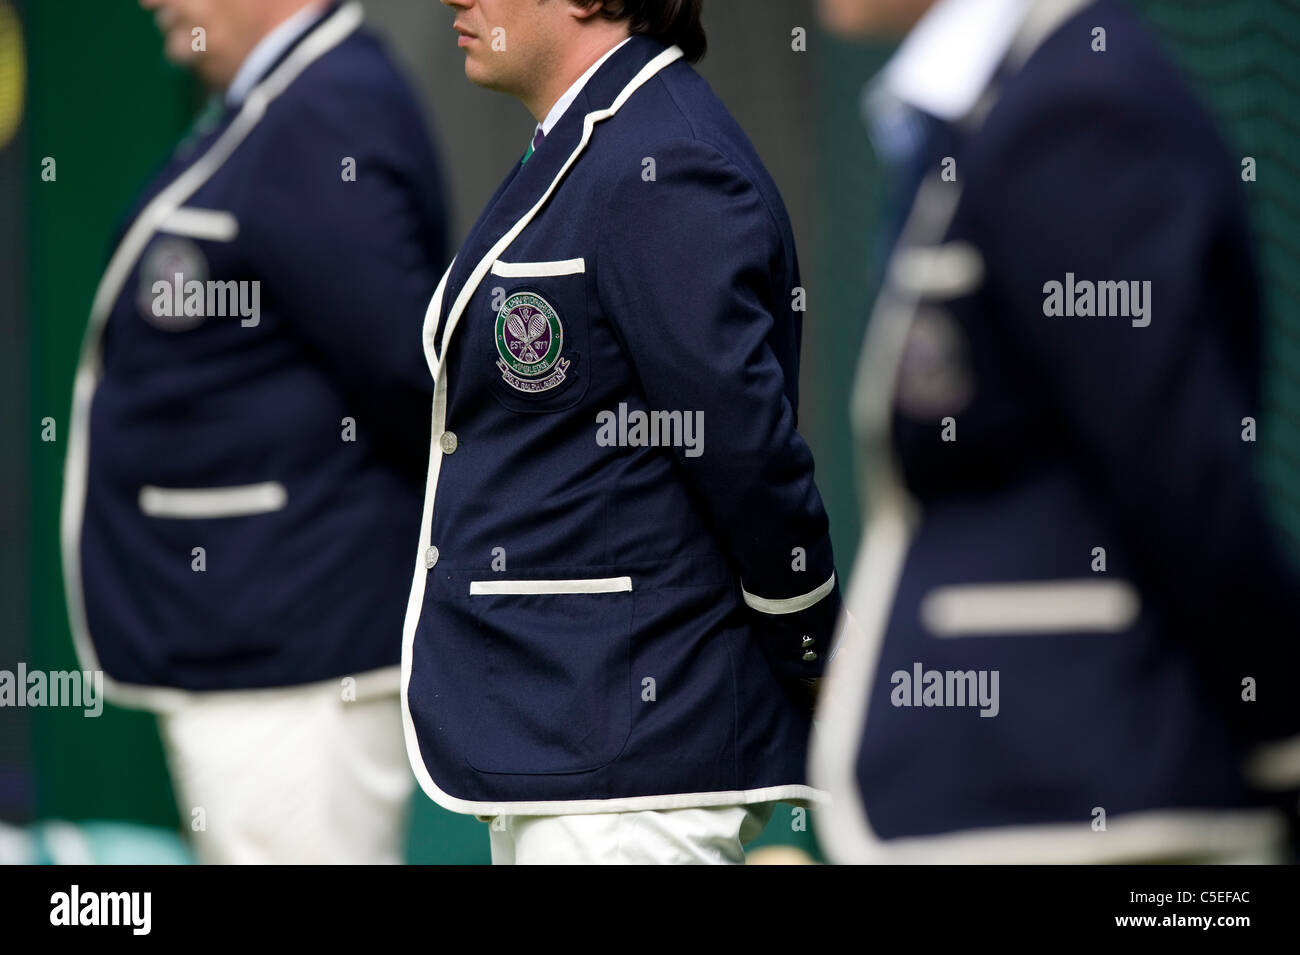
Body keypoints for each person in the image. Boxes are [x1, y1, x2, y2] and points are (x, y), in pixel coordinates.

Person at [810, 0, 1300, 863]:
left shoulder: (1079, 108)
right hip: (1010, 804)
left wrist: (1282, 737)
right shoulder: (995, 103)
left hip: (1086, 809)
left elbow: (1185, 478)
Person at [402, 0, 841, 864]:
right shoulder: (600, 136)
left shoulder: (664, 157)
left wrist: (813, 643)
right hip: (580, 751)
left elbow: (745, 449)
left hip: (632, 763)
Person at [63, 0, 449, 863]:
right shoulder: (287, 98)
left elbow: (413, 378)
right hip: (258, 659)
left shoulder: (325, 108)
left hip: (298, 671)